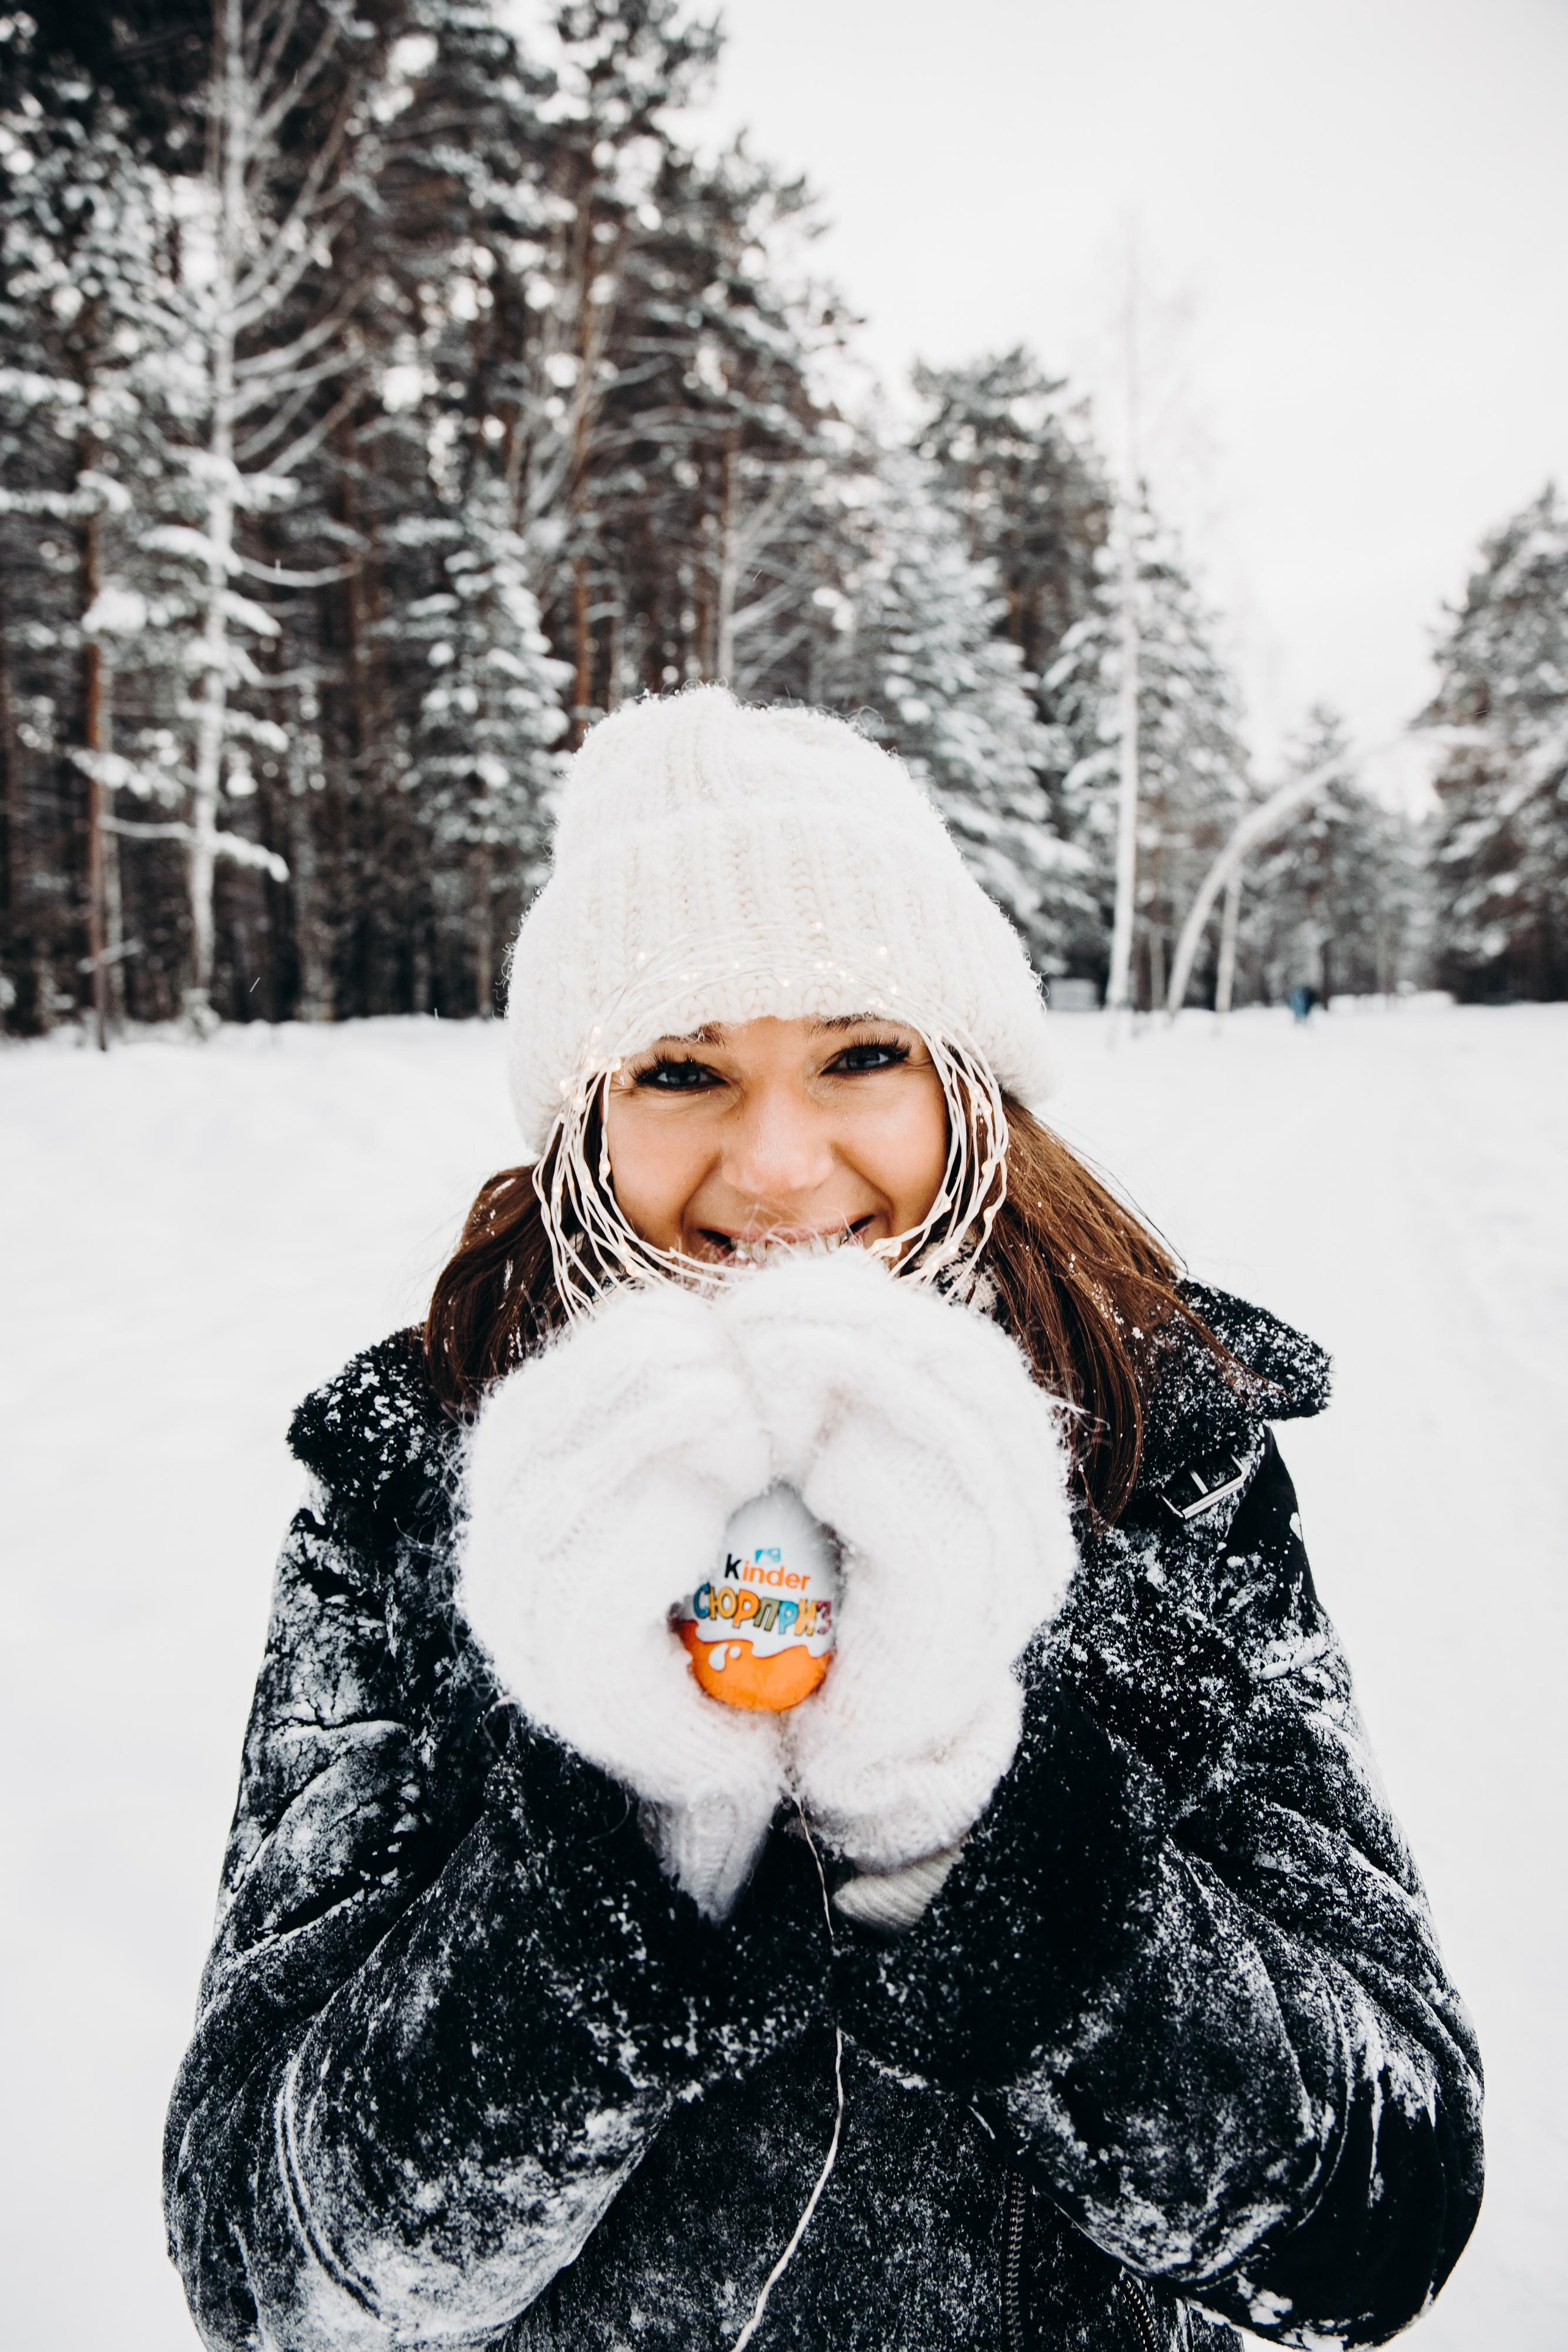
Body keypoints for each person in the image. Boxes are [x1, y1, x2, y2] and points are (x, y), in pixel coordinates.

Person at [165, 688, 1481, 2352]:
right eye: (682, 1069)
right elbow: (272, 2271)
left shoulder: (1166, 1450)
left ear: (967, 1084)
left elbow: (1379, 2215)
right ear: (587, 1111)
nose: (779, 1166)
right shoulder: (420, 1491)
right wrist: (628, 1830)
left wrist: (965, 1815)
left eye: (859, 1053)